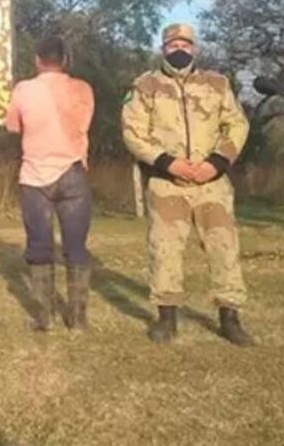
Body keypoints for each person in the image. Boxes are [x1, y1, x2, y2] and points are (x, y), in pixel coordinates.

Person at [121, 23, 253, 346]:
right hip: (168, 183)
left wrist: (216, 164)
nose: (179, 49)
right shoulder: (145, 85)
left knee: (224, 247)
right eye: (172, 44)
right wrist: (168, 163)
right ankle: (166, 317)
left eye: (185, 44)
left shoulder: (217, 84)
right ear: (163, 48)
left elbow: (236, 124)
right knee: (164, 249)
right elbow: (132, 131)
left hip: (212, 182)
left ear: (195, 48)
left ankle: (230, 317)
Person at [5, 36, 95, 331]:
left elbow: (12, 126)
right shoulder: (83, 89)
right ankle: (78, 318)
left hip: (35, 176)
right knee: (76, 247)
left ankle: (44, 317)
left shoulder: (23, 89)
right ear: (65, 60)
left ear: (37, 60)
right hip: (73, 171)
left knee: (39, 246)